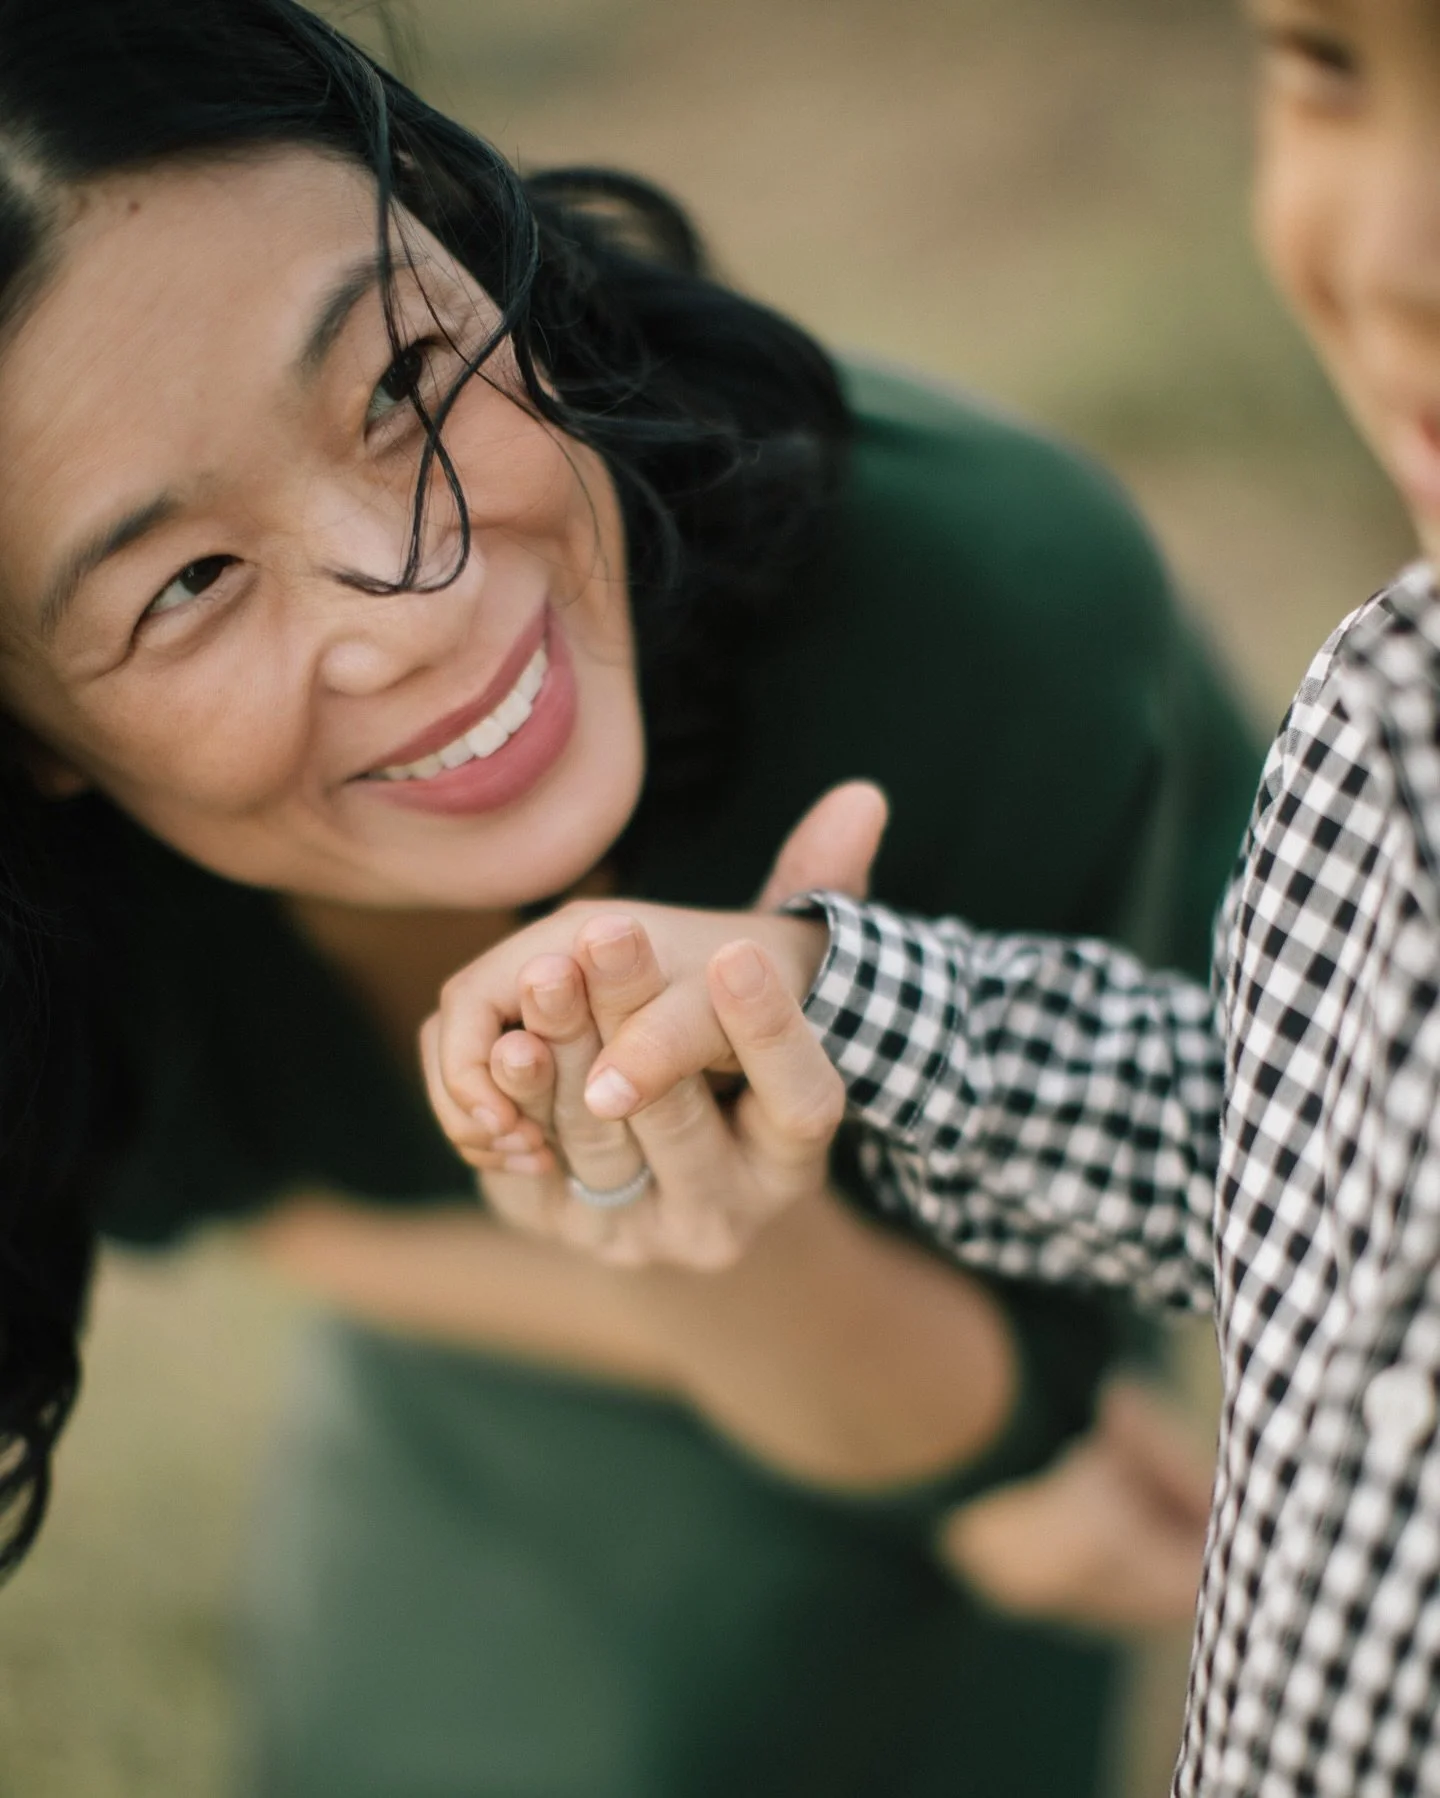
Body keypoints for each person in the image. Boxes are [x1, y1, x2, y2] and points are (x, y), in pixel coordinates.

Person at [0, 3, 1259, 1795]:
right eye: (190, 580)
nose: (414, 596)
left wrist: (729, 1258)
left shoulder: (983, 613)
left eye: (404, 384)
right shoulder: (59, 922)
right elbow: (222, 1195)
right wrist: (587, 1235)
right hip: (491, 1317)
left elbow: (987, 1412)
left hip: (935, 1280)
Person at [431, 2, 1440, 1790]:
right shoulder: (1400, 710)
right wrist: (824, 995)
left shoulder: (1008, 578)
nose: (1392, 258)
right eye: (1326, 61)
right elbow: (1326, 1177)